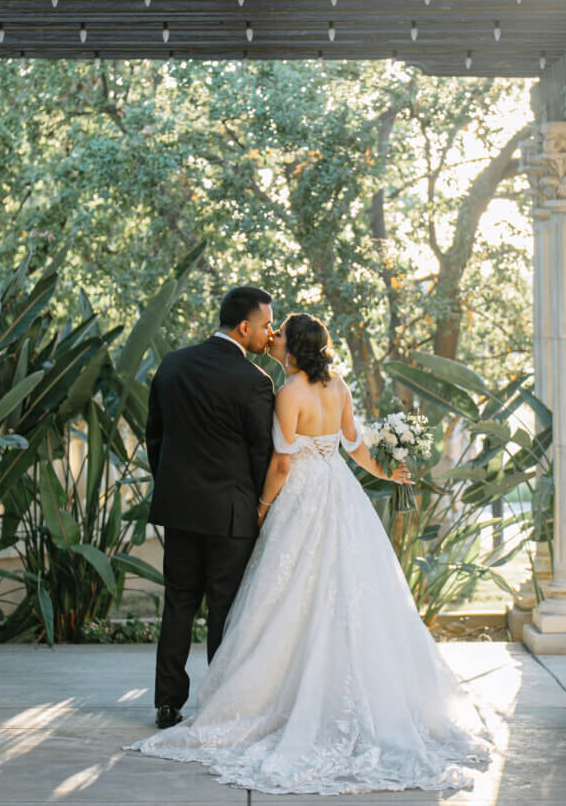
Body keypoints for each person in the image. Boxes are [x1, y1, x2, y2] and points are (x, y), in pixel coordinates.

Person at [131, 312, 492, 794]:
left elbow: (281, 464)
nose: (272, 337)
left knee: (288, 595)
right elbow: (355, 445)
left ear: (294, 347)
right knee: (346, 591)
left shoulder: (288, 393)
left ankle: (260, 697)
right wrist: (385, 473)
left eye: (280, 333)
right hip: (340, 492)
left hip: (300, 496)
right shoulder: (338, 385)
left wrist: (262, 508)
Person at [145, 285, 275, 730]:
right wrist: (262, 506)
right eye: (265, 325)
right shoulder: (255, 381)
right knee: (225, 609)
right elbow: (261, 454)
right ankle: (219, 703)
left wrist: (172, 485)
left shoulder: (173, 364)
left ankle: (167, 703)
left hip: (180, 508)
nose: (269, 333)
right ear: (244, 328)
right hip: (232, 515)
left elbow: (155, 435)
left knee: (178, 604)